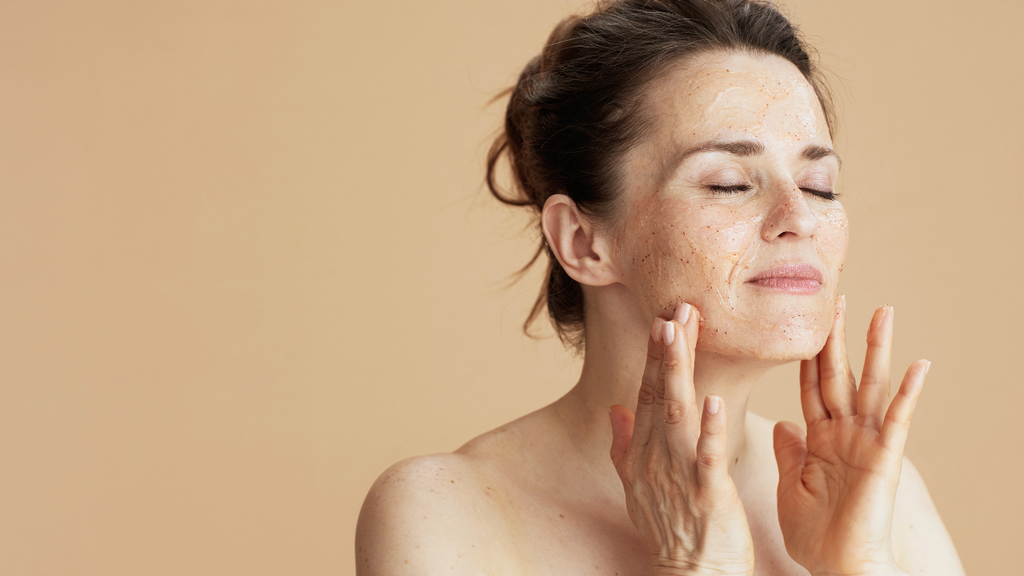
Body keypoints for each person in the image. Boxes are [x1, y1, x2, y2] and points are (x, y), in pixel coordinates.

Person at [355, 0, 965, 574]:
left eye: (820, 184)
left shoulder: (884, 499)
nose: (801, 217)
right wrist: (696, 565)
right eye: (727, 182)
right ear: (583, 242)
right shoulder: (447, 509)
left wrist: (856, 565)